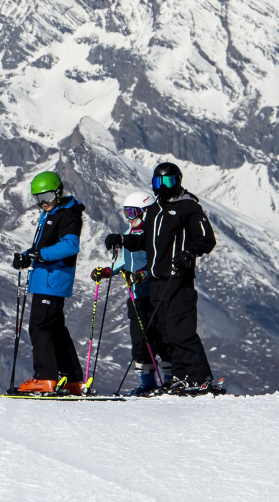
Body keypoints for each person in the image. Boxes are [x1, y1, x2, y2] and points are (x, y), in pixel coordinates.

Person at [106, 163, 219, 395]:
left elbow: (206, 238)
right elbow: (144, 241)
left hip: (178, 279)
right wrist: (122, 240)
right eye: (158, 182)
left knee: (182, 331)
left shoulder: (189, 207)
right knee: (166, 334)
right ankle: (179, 377)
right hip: (157, 281)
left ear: (177, 180)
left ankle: (200, 377)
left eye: (167, 182)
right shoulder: (156, 208)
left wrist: (189, 254)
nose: (163, 187)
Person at [11, 171, 85, 395]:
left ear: (59, 192)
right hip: (47, 279)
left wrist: (39, 254)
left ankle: (45, 378)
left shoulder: (68, 214)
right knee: (56, 330)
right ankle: (72, 380)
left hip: (53, 280)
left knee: (40, 327)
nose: (43, 202)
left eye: (49, 196)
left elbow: (70, 245)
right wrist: (26, 256)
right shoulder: (52, 213)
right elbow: (43, 246)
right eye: (39, 198)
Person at [91, 191, 168, 396]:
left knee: (162, 338)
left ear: (145, 212)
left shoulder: (152, 235)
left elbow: (156, 264)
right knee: (140, 340)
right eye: (126, 212)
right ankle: (147, 382)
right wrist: (108, 271)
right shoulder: (130, 234)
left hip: (155, 295)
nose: (129, 217)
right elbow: (126, 262)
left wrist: (142, 276)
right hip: (136, 296)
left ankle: (170, 380)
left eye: (133, 212)